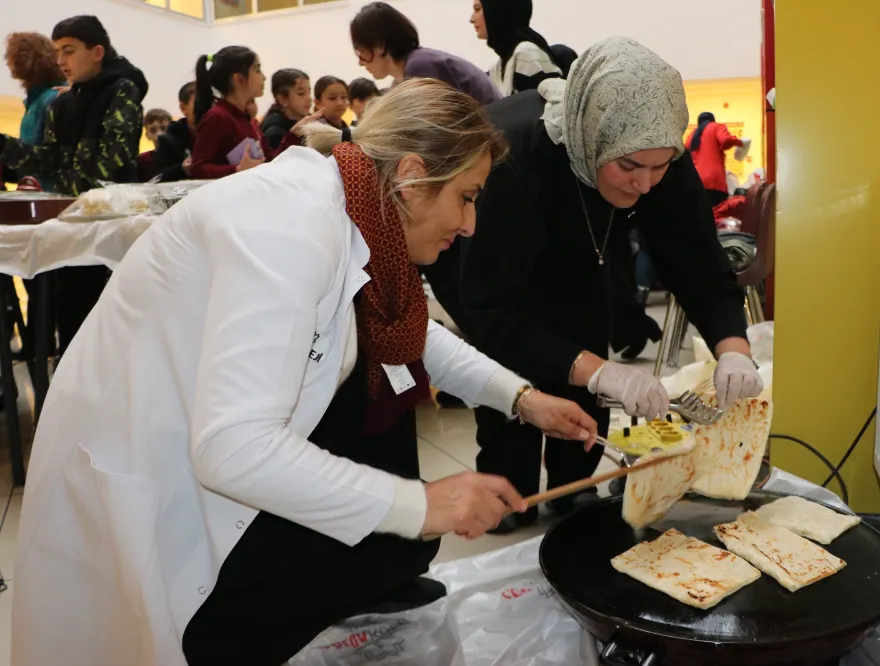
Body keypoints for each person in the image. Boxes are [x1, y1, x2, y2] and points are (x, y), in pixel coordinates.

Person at [11, 77, 598, 666]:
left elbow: (414, 339)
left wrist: (521, 399)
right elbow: (233, 448)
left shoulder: (359, 214)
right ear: (413, 177)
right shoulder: (291, 227)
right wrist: (424, 504)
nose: (470, 224)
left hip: (191, 443)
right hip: (144, 454)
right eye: (467, 197)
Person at [460, 37, 764, 532]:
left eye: (658, 167)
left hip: (585, 266)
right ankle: (512, 498)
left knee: (583, 398)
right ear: (592, 137)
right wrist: (602, 372)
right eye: (627, 166)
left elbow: (699, 264)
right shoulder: (511, 156)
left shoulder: (659, 151)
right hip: (500, 281)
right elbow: (491, 310)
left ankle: (572, 492)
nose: (644, 185)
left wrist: (733, 347)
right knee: (512, 409)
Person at [0, 15, 148, 355]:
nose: (60, 61)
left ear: (97, 52)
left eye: (69, 51)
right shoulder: (61, 104)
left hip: (113, 231)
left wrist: (71, 192)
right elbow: (48, 160)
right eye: (57, 52)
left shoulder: (122, 92)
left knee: (110, 325)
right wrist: (6, 147)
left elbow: (113, 158)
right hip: (74, 229)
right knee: (72, 324)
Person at [350, 1, 502, 106]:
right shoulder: (418, 64)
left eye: (361, 51)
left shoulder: (419, 67)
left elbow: (441, 130)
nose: (360, 62)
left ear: (380, 45)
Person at [189, 46, 305, 180]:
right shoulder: (218, 117)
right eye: (257, 70)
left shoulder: (248, 119)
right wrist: (237, 170)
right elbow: (197, 169)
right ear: (239, 79)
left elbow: (270, 161)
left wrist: (294, 134)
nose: (264, 77)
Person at [2, 32, 64, 189]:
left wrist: (3, 145)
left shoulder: (50, 99)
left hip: (47, 199)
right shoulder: (38, 101)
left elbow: (50, 160)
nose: (7, 62)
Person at [470, 0, 565, 96]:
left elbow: (534, 109)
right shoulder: (498, 67)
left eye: (477, 9)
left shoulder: (526, 54)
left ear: (497, 11)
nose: (471, 19)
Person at [686, 111, 749, 207]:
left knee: (700, 216)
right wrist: (740, 142)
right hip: (714, 183)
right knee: (715, 214)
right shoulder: (716, 127)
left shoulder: (691, 136)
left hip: (694, 183)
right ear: (712, 120)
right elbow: (725, 140)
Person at [154, 81, 197, 182]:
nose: (205, 108)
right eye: (198, 103)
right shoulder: (168, 140)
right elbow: (159, 177)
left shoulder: (218, 131)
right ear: (183, 108)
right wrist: (181, 168)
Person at [260, 67, 311, 150]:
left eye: (309, 92)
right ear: (283, 99)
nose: (309, 98)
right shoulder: (274, 132)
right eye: (301, 93)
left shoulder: (310, 121)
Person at [137, 107, 171, 181]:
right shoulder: (141, 161)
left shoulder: (180, 158)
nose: (159, 134)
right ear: (147, 135)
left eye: (163, 128)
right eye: (153, 130)